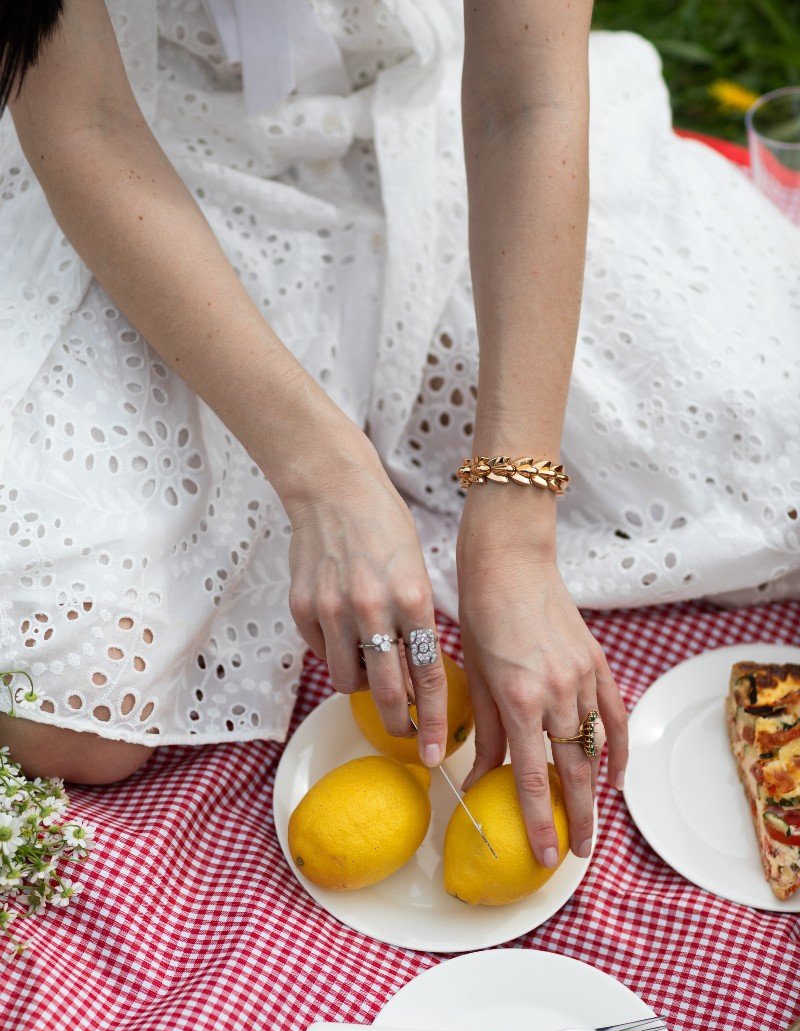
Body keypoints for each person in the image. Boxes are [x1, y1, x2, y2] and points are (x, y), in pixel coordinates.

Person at [0, 1, 797, 870]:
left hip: (433, 123)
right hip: (151, 166)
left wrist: (515, 533)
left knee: (768, 453)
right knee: (75, 714)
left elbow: (527, 99)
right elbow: (85, 123)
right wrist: (326, 475)